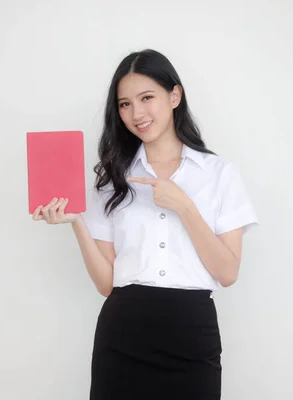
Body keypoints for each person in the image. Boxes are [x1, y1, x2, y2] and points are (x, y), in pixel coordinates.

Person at [32, 49, 259, 400]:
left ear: (174, 96)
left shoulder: (219, 174)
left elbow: (228, 273)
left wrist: (185, 206)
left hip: (191, 332)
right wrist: (76, 222)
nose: (136, 113)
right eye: (124, 104)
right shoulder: (111, 181)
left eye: (146, 98)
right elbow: (106, 284)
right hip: (123, 333)